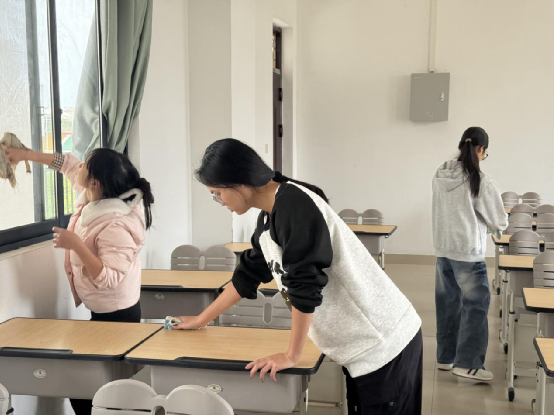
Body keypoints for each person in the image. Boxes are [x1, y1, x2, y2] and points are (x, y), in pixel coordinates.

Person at [173, 138, 423, 414]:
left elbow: (304, 285)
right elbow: (247, 276)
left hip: (383, 343)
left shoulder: (294, 206)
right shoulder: (269, 217)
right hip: (361, 347)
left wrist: (291, 356)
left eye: (217, 193)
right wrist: (202, 319)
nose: (218, 201)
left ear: (239, 182)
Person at [3, 145, 154, 414]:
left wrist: (76, 244)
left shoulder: (117, 224)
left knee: (90, 391)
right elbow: (67, 164)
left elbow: (109, 278)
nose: (79, 166)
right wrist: (26, 156)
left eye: (86, 164)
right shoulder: (96, 196)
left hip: (119, 316)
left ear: (95, 182)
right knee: (88, 390)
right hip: (102, 312)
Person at [432, 126, 508, 381]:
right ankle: (468, 363)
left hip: (443, 249)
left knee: (447, 304)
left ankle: (446, 358)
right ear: (480, 149)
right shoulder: (481, 181)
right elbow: (499, 220)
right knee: (475, 307)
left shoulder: (440, 173)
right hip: (468, 253)